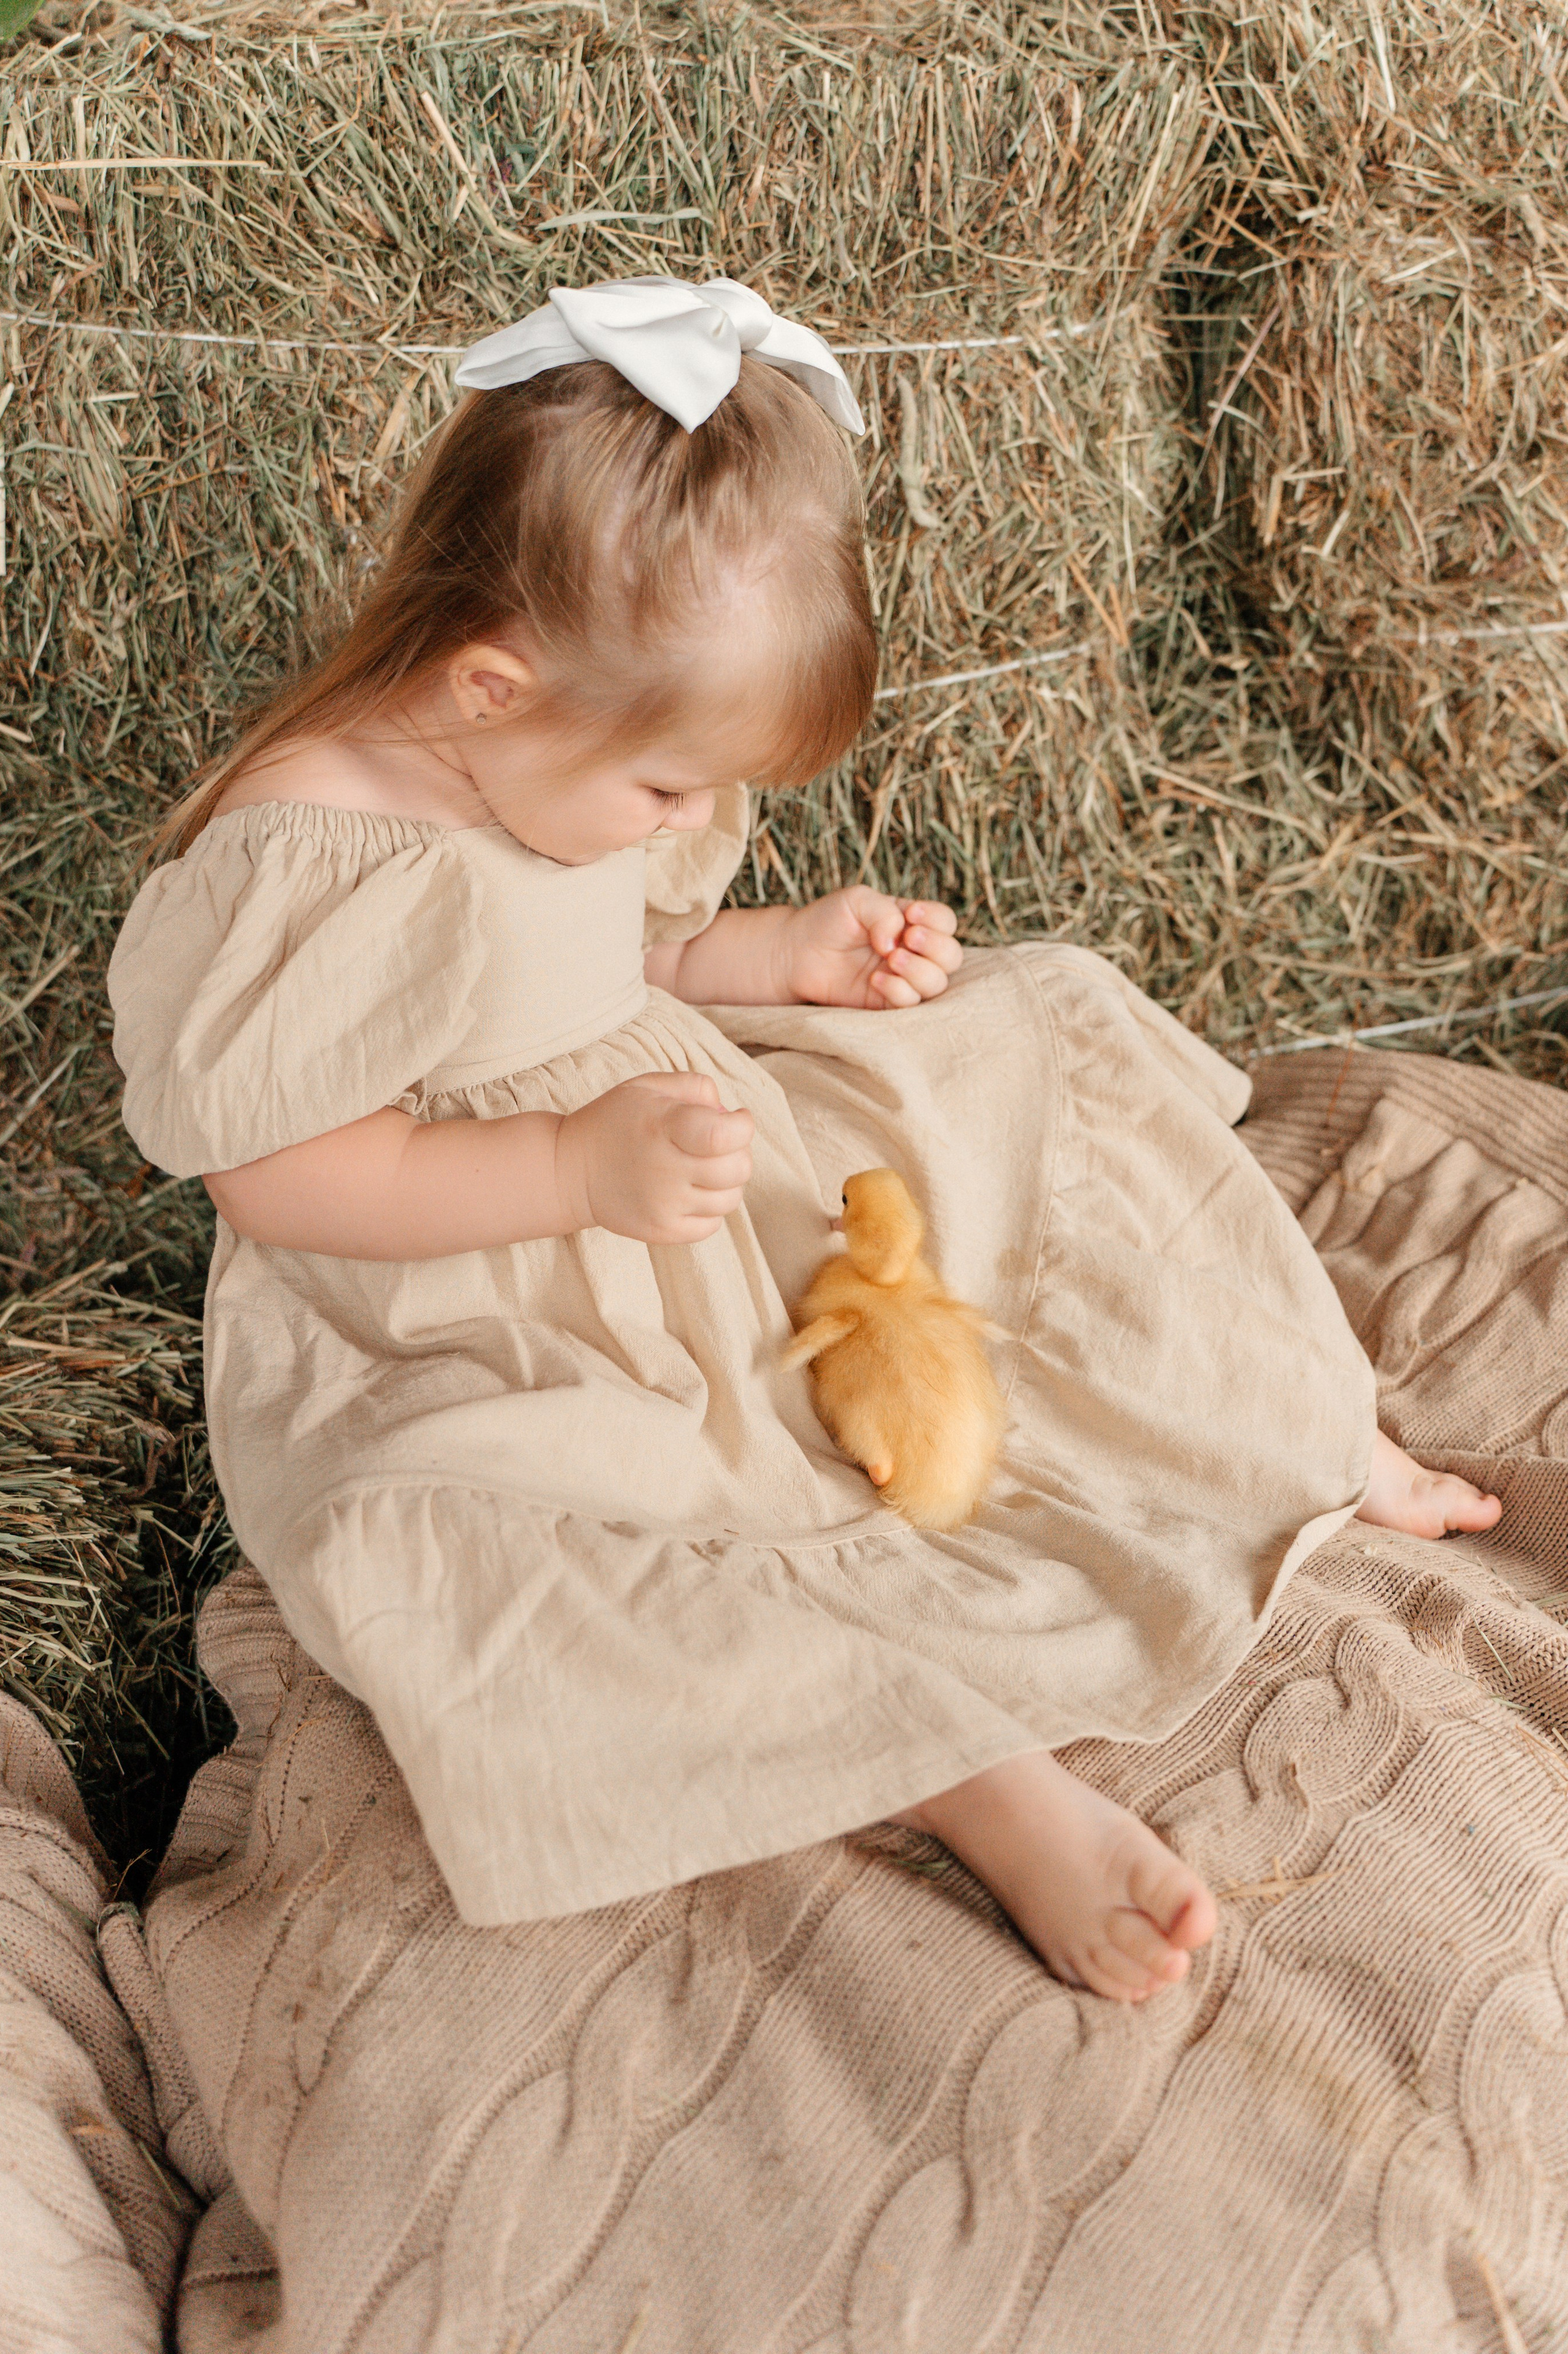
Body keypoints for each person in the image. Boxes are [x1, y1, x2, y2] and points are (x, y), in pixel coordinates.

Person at [107, 276, 1499, 2005]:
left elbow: (611, 959)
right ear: (489, 685)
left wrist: (773, 958)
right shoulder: (310, 850)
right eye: (670, 794)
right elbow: (280, 1174)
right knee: (520, 1529)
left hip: (681, 1169)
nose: (694, 820)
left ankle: (1288, 1423)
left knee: (1021, 1028)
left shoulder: (549, 744)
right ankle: (977, 1779)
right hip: (465, 1288)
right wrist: (565, 1174)